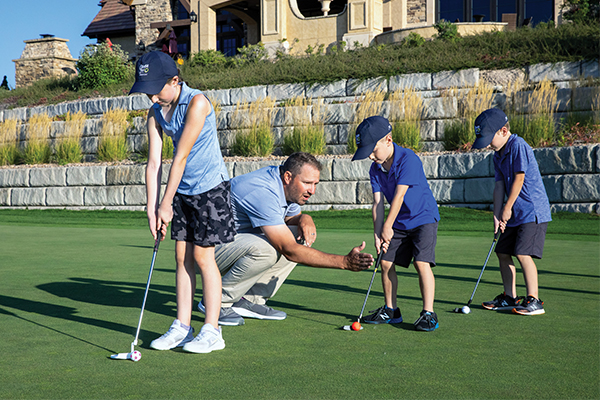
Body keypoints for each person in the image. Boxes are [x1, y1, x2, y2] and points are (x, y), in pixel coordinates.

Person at [130, 51, 236, 353]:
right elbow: (153, 164)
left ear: (174, 80)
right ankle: (182, 326)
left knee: (203, 258)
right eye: (146, 89)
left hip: (210, 189)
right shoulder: (155, 112)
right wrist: (152, 209)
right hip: (183, 191)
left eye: (154, 88)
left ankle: (212, 330)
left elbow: (180, 157)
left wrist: (165, 203)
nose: (150, 96)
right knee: (181, 257)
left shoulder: (197, 103)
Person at [196, 152, 375, 326]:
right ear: (288, 177)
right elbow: (288, 249)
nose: (312, 190)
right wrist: (344, 262)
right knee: (266, 249)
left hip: (229, 244)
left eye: (315, 184)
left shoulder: (285, 186)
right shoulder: (263, 190)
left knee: (298, 235)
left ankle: (250, 299)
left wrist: (304, 218)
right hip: (202, 252)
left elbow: (289, 219)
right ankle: (216, 301)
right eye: (307, 183)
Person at [351, 116, 440, 332]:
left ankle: (428, 313)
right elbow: (378, 203)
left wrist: (387, 227)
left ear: (388, 140)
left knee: (421, 262)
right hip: (398, 221)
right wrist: (377, 232)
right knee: (385, 263)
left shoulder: (408, 159)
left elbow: (399, 196)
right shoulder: (376, 168)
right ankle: (391, 310)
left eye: (373, 150)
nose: (371, 156)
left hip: (423, 218)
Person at [471, 108, 551, 315]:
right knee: (503, 252)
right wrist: (497, 215)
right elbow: (499, 186)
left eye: (490, 138)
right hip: (514, 213)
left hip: (532, 212)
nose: (488, 144)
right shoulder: (498, 155)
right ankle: (509, 297)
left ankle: (534, 300)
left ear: (504, 131)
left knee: (523, 252)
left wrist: (507, 209)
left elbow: (519, 178)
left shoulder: (518, 146)